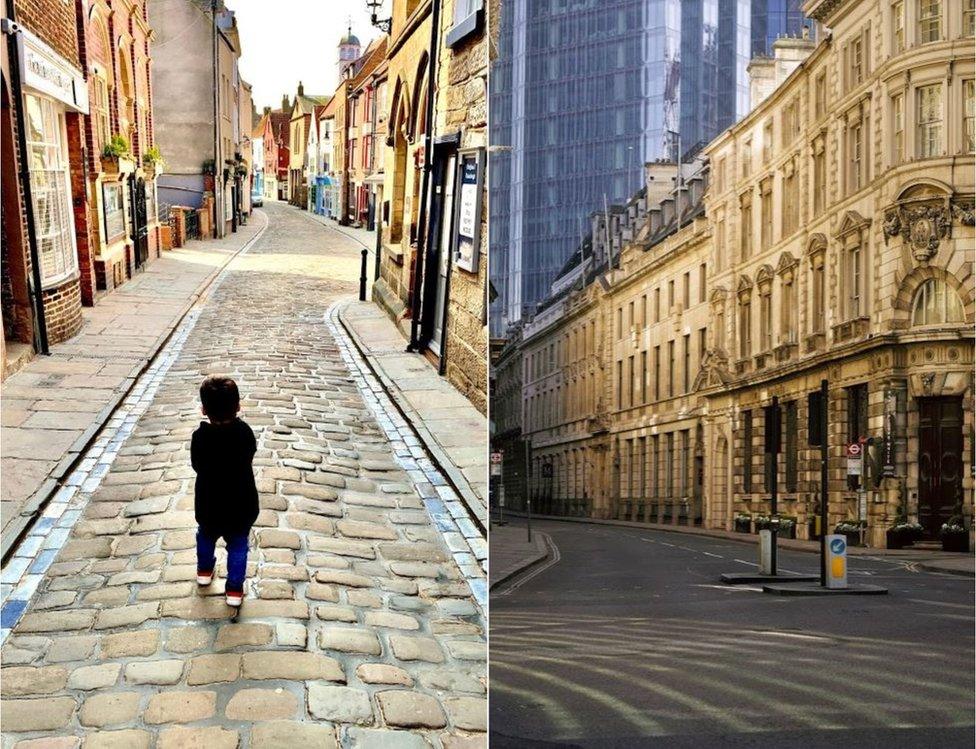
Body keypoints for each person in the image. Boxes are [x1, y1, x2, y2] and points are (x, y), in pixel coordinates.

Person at [191, 376, 258, 607]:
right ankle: (234, 590)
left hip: (209, 503)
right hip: (241, 504)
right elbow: (249, 456)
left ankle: (204, 570)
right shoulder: (244, 433)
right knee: (238, 545)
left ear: (203, 409)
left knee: (205, 536)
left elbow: (197, 466)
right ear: (238, 406)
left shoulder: (200, 437)